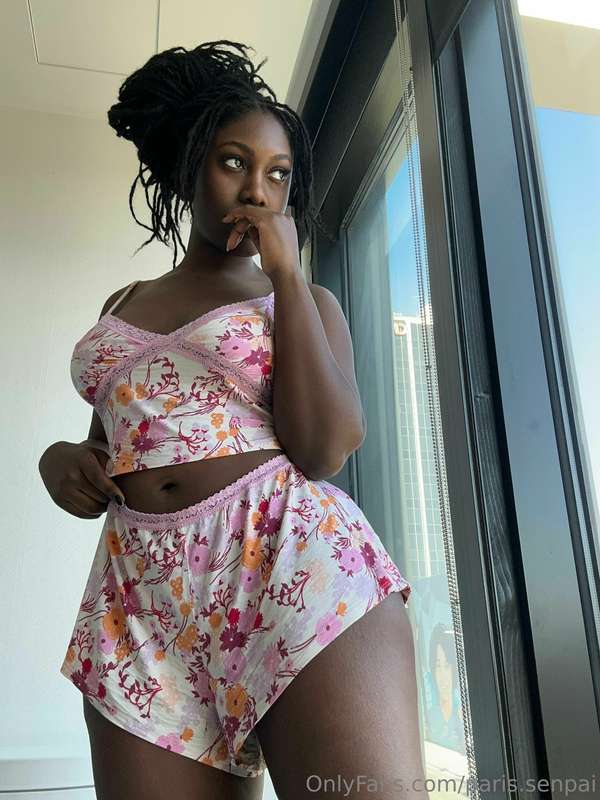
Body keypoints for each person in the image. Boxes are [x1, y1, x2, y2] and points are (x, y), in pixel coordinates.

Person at [39, 40, 426, 800]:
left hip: (287, 567)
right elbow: (115, 439)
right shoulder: (122, 304)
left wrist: (287, 273)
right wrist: (60, 460)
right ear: (191, 168)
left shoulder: (302, 301)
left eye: (277, 174)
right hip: (138, 598)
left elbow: (324, 449)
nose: (256, 189)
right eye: (233, 163)